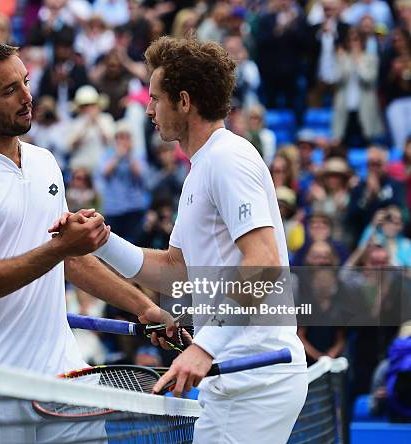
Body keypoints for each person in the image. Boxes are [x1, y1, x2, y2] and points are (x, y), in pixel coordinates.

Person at [52, 36, 308, 443]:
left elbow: (264, 263)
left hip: (254, 379)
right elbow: (174, 271)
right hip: (238, 377)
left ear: (184, 102)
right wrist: (102, 240)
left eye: (155, 99)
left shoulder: (227, 159)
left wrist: (205, 345)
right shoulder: (204, 167)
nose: (149, 110)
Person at [0, 40, 169, 443]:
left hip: (65, 378)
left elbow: (70, 261)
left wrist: (144, 307)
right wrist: (60, 248)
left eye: (25, 81)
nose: (27, 97)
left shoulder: (45, 162)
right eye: (9, 91)